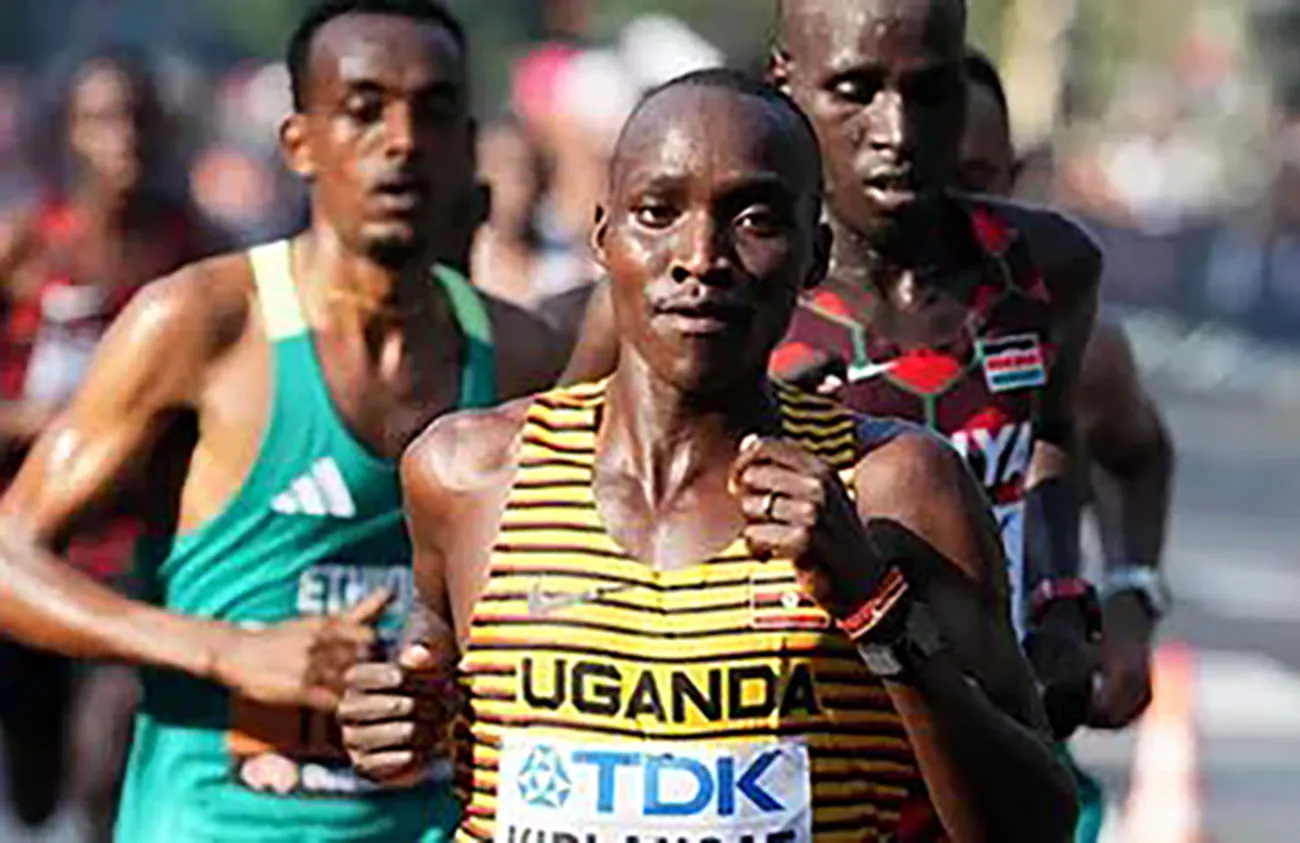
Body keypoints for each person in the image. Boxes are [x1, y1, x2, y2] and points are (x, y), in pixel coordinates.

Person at [340, 68, 1078, 843]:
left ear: (815, 254)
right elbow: (428, 659)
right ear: (603, 236)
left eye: (754, 219)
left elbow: (1035, 826)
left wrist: (874, 608)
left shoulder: (893, 489)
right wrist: (395, 713)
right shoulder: (468, 474)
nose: (700, 257)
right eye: (657, 213)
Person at [0, 0, 564, 840]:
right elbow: (9, 558)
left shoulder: (521, 355)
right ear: (299, 142)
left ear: (466, 142)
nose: (402, 140)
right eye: (365, 110)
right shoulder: (204, 322)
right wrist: (228, 649)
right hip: (215, 821)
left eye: (434, 110)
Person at [561, 0, 1104, 743]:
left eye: (929, 90)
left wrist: (1062, 598)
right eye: (856, 90)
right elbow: (563, 486)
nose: (896, 131)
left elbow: (1053, 433)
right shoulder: (702, 294)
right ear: (786, 81)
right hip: (784, 716)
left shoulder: (1047, 267)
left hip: (977, 708)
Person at [0, 46, 223, 839]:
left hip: (138, 551)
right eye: (101, 120)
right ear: (70, 133)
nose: (122, 138)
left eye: (137, 119)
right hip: (32, 541)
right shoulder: (29, 245)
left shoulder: (197, 250)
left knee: (105, 758)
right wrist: (41, 421)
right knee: (33, 779)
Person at [955, 48, 1175, 843]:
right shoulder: (786, 319)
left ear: (1013, 178)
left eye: (973, 178)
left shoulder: (1064, 329)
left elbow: (1139, 452)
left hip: (1015, 738)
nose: (940, 208)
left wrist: (1128, 597)